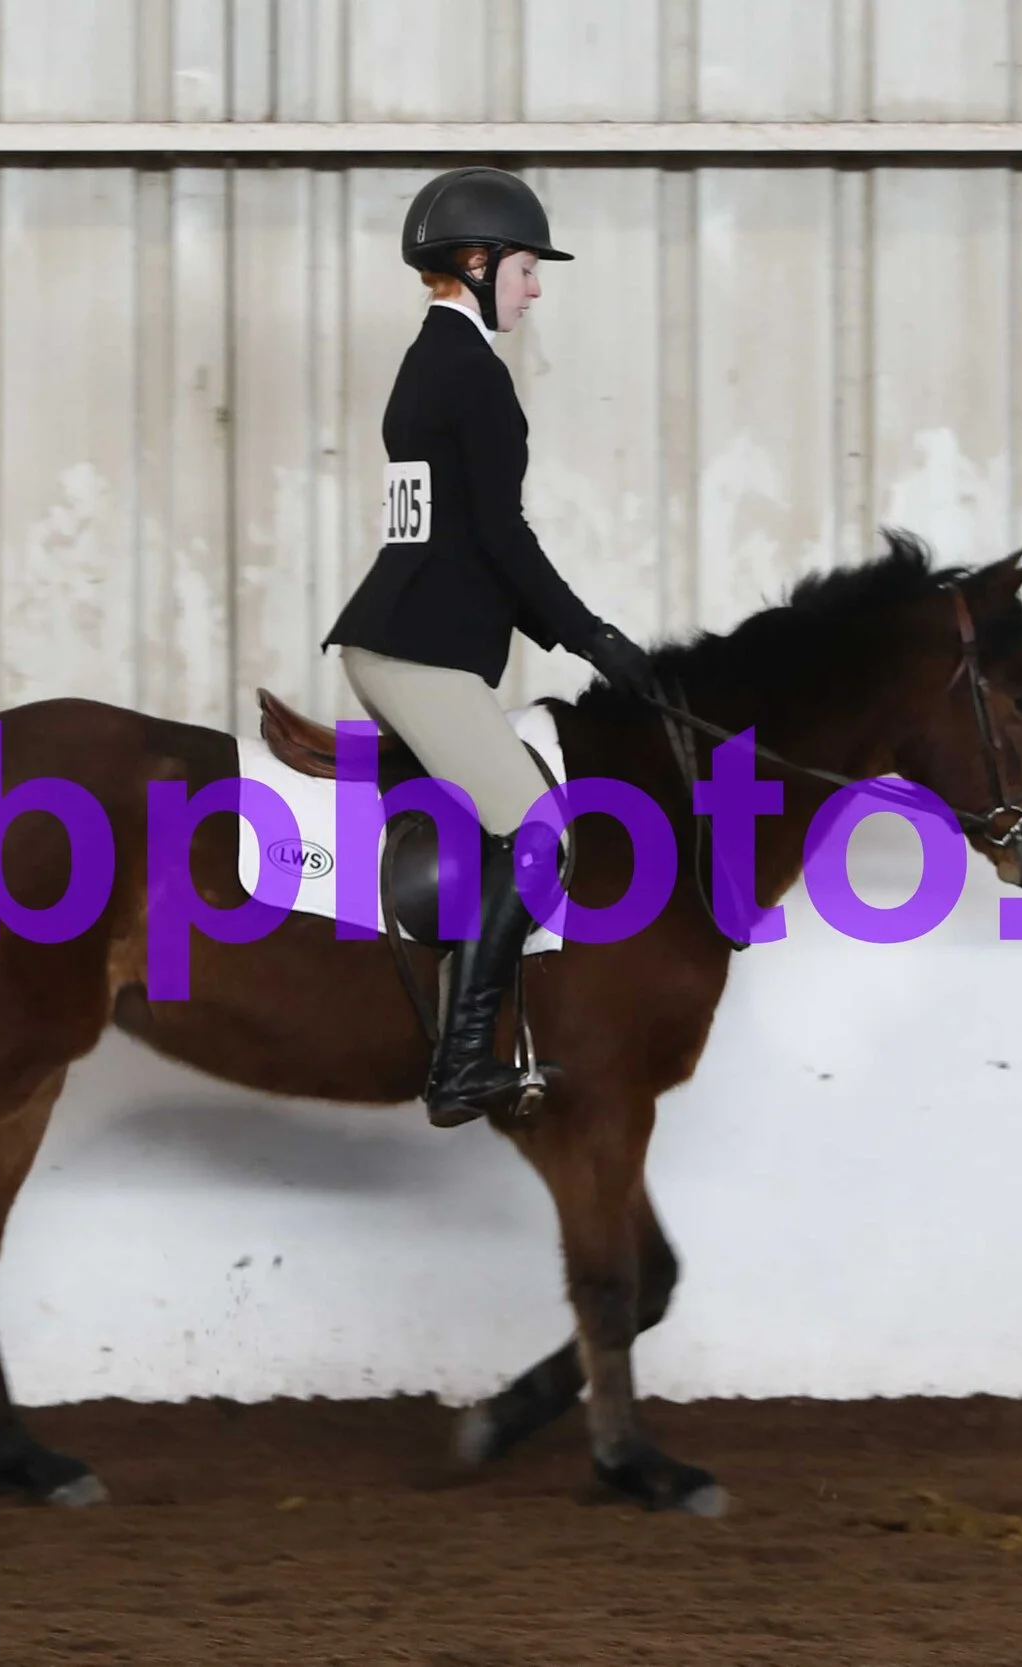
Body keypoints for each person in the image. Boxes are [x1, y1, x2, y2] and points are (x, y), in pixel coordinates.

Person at [322, 165, 664, 1129]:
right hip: (418, 652)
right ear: (475, 262)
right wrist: (593, 637)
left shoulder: (432, 359)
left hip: (406, 636)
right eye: (524, 268)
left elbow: (463, 539)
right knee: (541, 828)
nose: (536, 288)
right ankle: (464, 1058)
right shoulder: (469, 372)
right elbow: (500, 538)